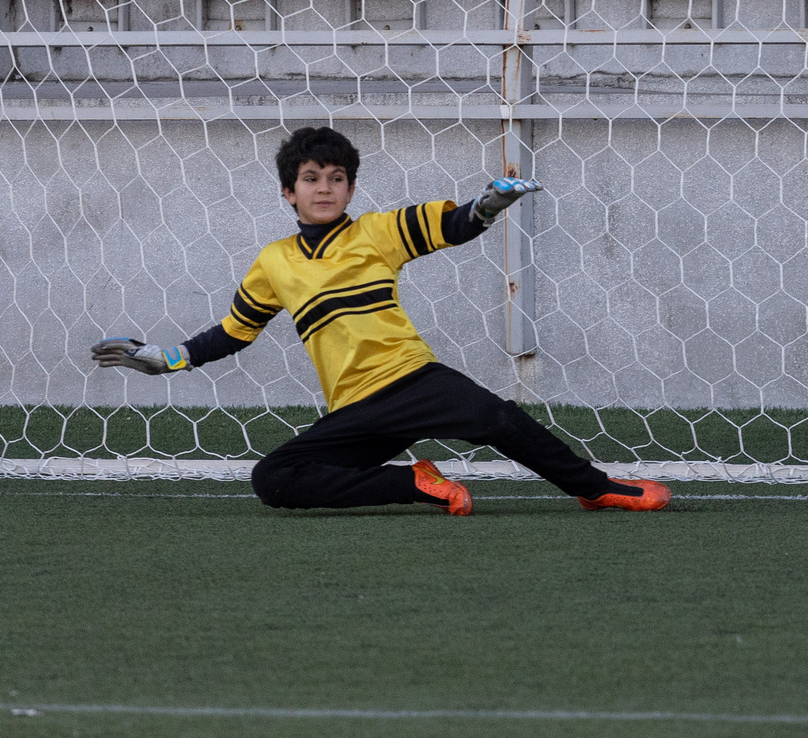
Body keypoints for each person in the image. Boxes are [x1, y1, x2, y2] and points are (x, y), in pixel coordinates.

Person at [90, 126, 672, 516]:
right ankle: (415, 483)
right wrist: (166, 358)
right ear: (288, 192)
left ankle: (594, 489)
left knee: (498, 417)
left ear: (350, 187)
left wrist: (489, 205)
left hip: (412, 380)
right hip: (356, 409)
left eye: (337, 178)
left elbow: (454, 223)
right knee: (274, 479)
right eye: (312, 179)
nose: (325, 188)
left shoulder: (374, 232)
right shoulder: (274, 262)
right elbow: (234, 331)